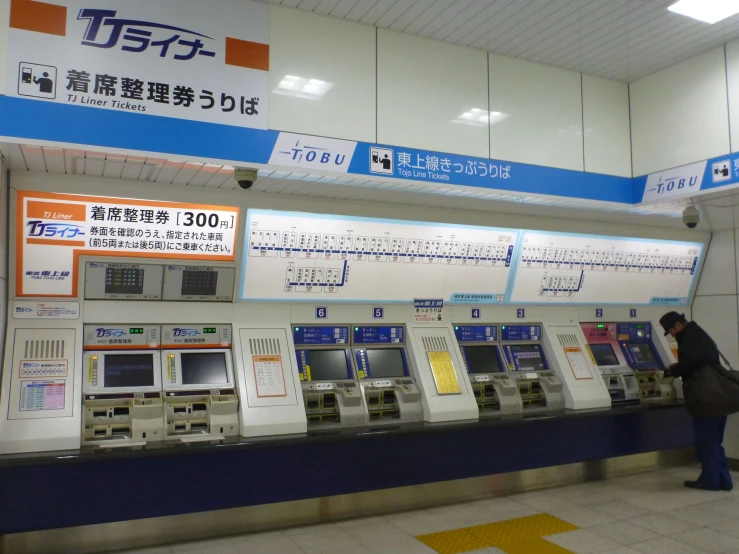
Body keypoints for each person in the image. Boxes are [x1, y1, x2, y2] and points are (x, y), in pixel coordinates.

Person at [659, 311, 733, 491]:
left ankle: (711, 481)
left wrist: (673, 370)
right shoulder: (699, 333)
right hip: (719, 395)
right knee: (715, 440)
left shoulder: (688, 338)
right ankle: (723, 479)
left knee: (707, 440)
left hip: (705, 397)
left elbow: (690, 364)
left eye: (671, 331)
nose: (673, 335)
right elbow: (702, 360)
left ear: (678, 325)